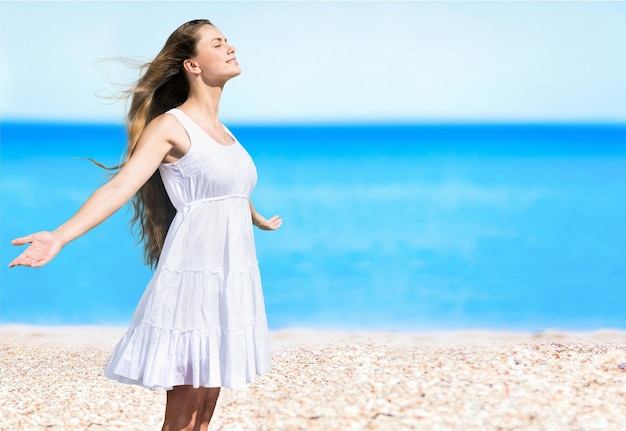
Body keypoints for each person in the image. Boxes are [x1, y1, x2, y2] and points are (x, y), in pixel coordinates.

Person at [9, 19, 282, 431]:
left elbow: (228, 189)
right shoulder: (170, 126)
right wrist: (60, 236)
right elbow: (120, 187)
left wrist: (256, 217)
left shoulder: (223, 131)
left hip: (231, 273)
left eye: (228, 42)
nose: (230, 48)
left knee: (205, 407)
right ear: (192, 65)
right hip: (195, 274)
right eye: (218, 43)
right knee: (185, 409)